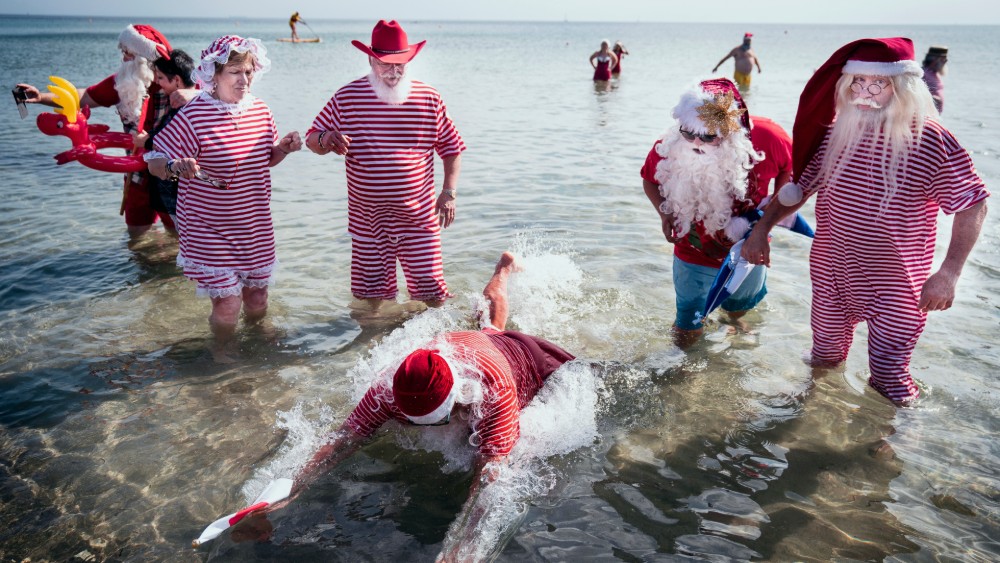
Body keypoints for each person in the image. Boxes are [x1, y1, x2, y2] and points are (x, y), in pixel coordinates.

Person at [270, 251, 575, 558]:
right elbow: (341, 439)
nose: (431, 429)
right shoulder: (389, 386)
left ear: (460, 396)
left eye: (440, 420)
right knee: (489, 325)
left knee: (526, 429)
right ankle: (504, 268)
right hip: (470, 345)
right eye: (413, 420)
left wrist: (461, 552)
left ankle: (505, 270)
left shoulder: (494, 391)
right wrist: (288, 491)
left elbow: (489, 483)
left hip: (530, 360)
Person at [741, 37, 989, 405]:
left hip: (896, 284)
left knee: (889, 377)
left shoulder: (932, 140)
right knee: (823, 358)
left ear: (901, 87)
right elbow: (797, 190)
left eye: (877, 84)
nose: (864, 93)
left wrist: (949, 273)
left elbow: (973, 203)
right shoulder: (836, 133)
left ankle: (892, 443)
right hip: (832, 273)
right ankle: (812, 414)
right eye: (857, 82)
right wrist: (760, 229)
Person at [145, 35, 303, 361]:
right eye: (234, 72)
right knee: (228, 303)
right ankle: (223, 353)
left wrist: (283, 150)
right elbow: (155, 163)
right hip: (209, 228)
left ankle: (258, 341)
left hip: (254, 225)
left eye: (248, 71)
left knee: (258, 298)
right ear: (214, 74)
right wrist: (176, 166)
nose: (244, 79)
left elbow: (266, 157)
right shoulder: (194, 114)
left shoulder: (260, 110)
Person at [306, 20, 466, 310]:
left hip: (419, 217)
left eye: (400, 64)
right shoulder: (346, 97)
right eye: (386, 64)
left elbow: (452, 147)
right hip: (368, 220)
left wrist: (449, 193)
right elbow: (311, 139)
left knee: (433, 295)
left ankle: (436, 346)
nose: (394, 71)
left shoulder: (429, 97)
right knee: (372, 299)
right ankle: (371, 348)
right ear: (370, 59)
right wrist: (327, 138)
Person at [641, 78, 792, 348]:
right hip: (692, 252)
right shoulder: (671, 145)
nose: (696, 142)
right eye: (688, 133)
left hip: (749, 250)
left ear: (731, 131)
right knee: (687, 327)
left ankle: (733, 328)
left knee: (738, 309)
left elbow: (792, 177)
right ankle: (684, 375)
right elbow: (649, 179)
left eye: (709, 136)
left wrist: (767, 220)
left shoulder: (770, 138)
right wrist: (664, 214)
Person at [16, 24, 196, 237]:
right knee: (137, 237)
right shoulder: (123, 82)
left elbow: (215, 95)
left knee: (179, 235)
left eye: (127, 53)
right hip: (136, 175)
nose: (123, 58)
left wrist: (192, 95)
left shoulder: (175, 81)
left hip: (172, 175)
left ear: (142, 57)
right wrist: (40, 97)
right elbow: (82, 97)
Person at [135, 49, 196, 224]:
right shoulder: (199, 100)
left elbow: (176, 141)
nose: (157, 81)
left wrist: (146, 141)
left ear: (176, 79)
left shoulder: (186, 105)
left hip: (180, 194)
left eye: (161, 77)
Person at [922, 45, 948, 114]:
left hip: (935, 116)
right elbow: (916, 94)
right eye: (944, 60)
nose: (945, 62)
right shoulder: (923, 73)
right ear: (935, 60)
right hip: (926, 116)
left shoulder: (935, 73)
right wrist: (933, 98)